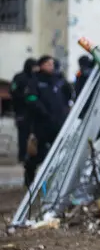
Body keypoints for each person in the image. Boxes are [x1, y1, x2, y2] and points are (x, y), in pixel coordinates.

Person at [23, 55, 72, 186]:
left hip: (58, 123)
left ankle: (56, 181)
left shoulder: (59, 79)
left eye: (52, 64)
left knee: (58, 152)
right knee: (36, 154)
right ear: (41, 65)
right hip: (41, 124)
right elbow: (31, 98)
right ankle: (29, 180)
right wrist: (43, 111)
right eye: (48, 64)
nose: (51, 66)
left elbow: (68, 95)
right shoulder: (35, 80)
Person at [10, 58, 38, 163]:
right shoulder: (19, 77)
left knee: (34, 134)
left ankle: (32, 154)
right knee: (23, 134)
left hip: (34, 110)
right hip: (21, 110)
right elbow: (13, 91)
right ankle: (22, 155)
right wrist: (24, 97)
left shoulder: (36, 77)